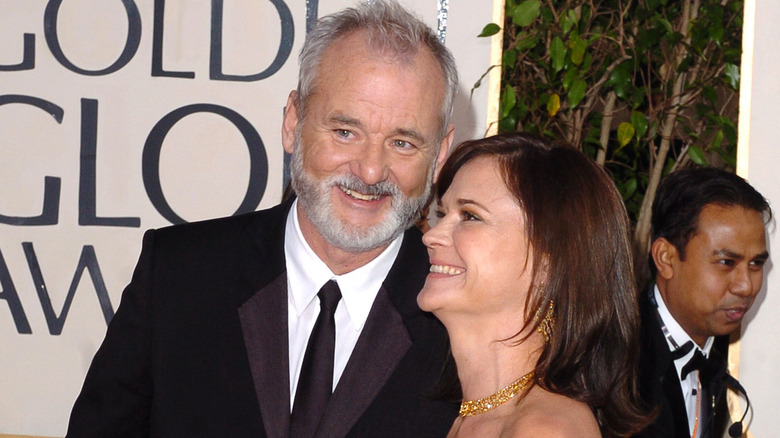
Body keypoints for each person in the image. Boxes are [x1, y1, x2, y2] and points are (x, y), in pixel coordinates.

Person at [66, 1, 460, 436]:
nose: (370, 171)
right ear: (293, 121)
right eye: (345, 132)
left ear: (439, 154)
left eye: (403, 143)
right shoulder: (179, 277)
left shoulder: (464, 316)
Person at [417, 132, 650, 438]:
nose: (431, 236)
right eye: (442, 214)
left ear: (549, 263)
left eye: (470, 216)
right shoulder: (465, 417)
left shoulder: (546, 430)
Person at [635, 167, 770, 438]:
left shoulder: (712, 355)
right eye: (726, 262)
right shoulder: (613, 362)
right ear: (666, 257)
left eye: (756, 263)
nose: (746, 285)